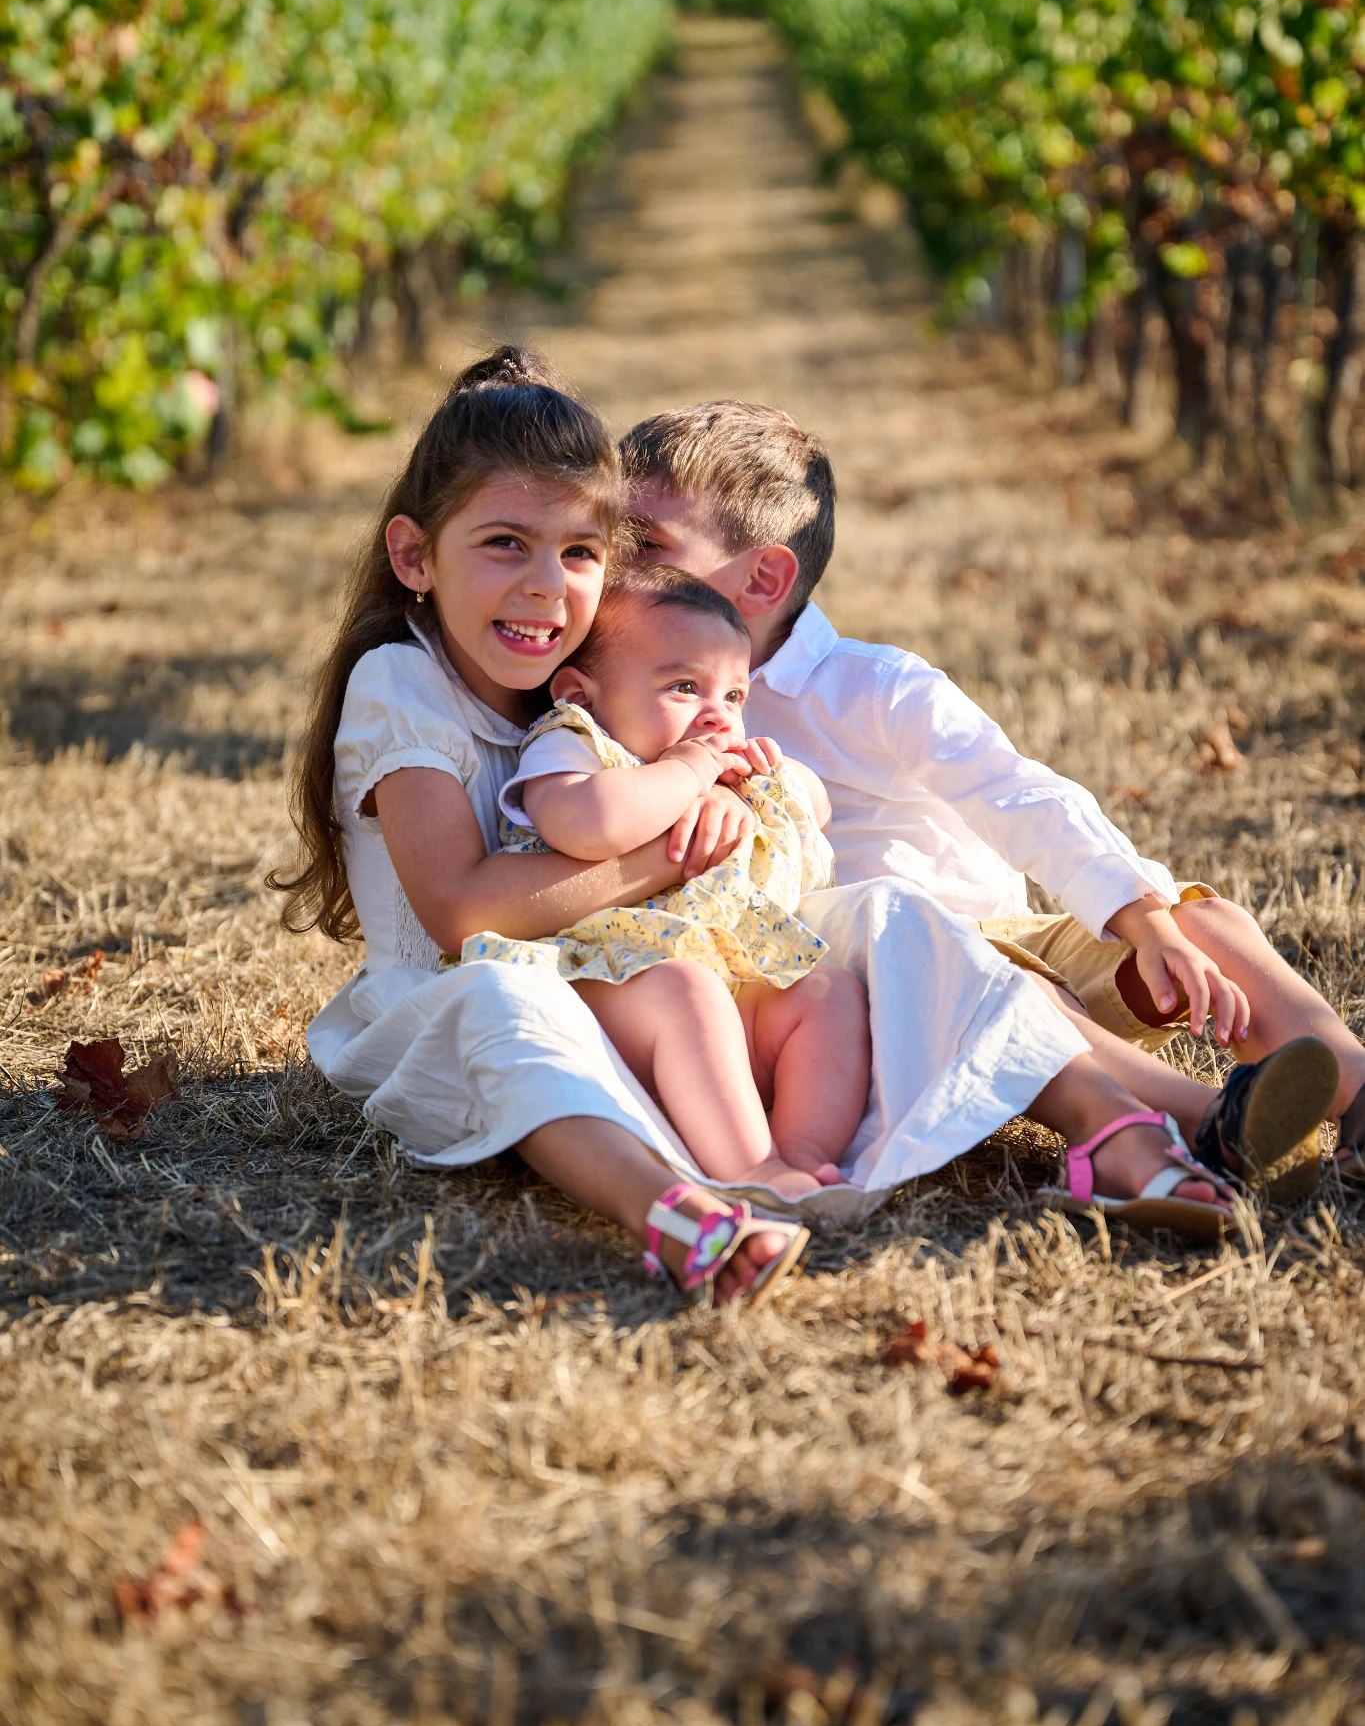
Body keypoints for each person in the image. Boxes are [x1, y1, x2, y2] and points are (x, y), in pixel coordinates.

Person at [270, 344, 1275, 1301]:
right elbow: (459, 915)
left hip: (634, 982)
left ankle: (1128, 1131)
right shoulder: (405, 681)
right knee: (504, 1002)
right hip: (463, 1005)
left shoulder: (563, 671)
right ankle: (677, 1212)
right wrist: (668, 848)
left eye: (582, 551)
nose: (547, 584)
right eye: (504, 544)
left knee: (878, 912)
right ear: (414, 554)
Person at [619, 397, 1349, 1201]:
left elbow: (1014, 791)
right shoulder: (635, 692)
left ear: (762, 577)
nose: (615, 564)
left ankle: (1355, 1093)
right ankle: (1209, 1123)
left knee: (1200, 922)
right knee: (1006, 983)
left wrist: (1143, 917)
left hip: (1017, 937)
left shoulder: (871, 685)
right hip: (895, 994)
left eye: (643, 544)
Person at [460, 562, 872, 1201]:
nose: (717, 718)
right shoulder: (577, 744)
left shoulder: (722, 771)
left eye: (734, 696)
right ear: (580, 693)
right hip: (610, 984)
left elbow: (814, 811)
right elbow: (589, 825)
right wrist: (686, 772)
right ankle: (751, 1170)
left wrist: (764, 784)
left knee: (829, 994)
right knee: (686, 990)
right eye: (685, 686)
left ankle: (800, 1152)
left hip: (731, 992)